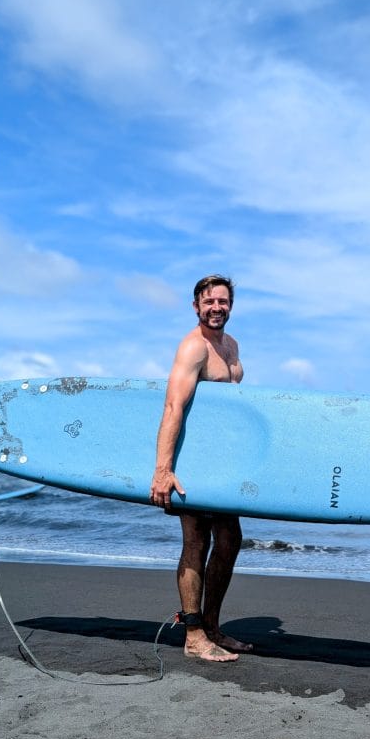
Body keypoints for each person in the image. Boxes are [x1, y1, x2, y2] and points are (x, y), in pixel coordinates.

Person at [150, 274, 253, 662]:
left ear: (230, 306)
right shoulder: (193, 348)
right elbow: (173, 406)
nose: (216, 308)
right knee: (197, 541)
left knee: (229, 540)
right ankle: (193, 635)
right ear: (196, 306)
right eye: (209, 302)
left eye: (223, 302)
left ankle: (212, 625)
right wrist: (163, 470)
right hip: (192, 461)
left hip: (222, 463)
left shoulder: (231, 346)